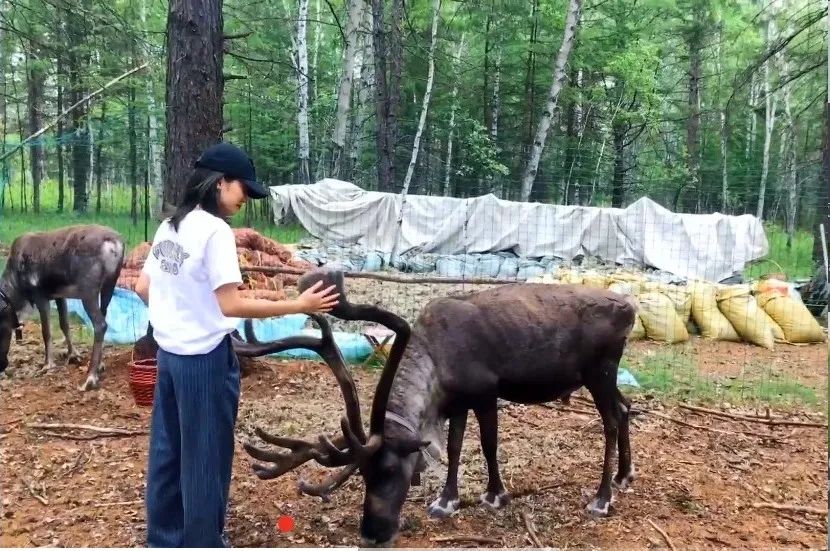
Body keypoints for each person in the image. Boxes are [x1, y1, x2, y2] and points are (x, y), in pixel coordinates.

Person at [134, 142, 339, 547]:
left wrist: (177, 320)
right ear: (219, 183)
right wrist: (299, 303)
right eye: (242, 188)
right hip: (204, 362)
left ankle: (164, 538)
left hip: (171, 357)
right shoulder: (215, 232)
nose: (246, 197)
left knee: (167, 453)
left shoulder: (171, 224)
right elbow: (231, 302)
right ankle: (203, 542)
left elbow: (143, 288)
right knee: (206, 458)